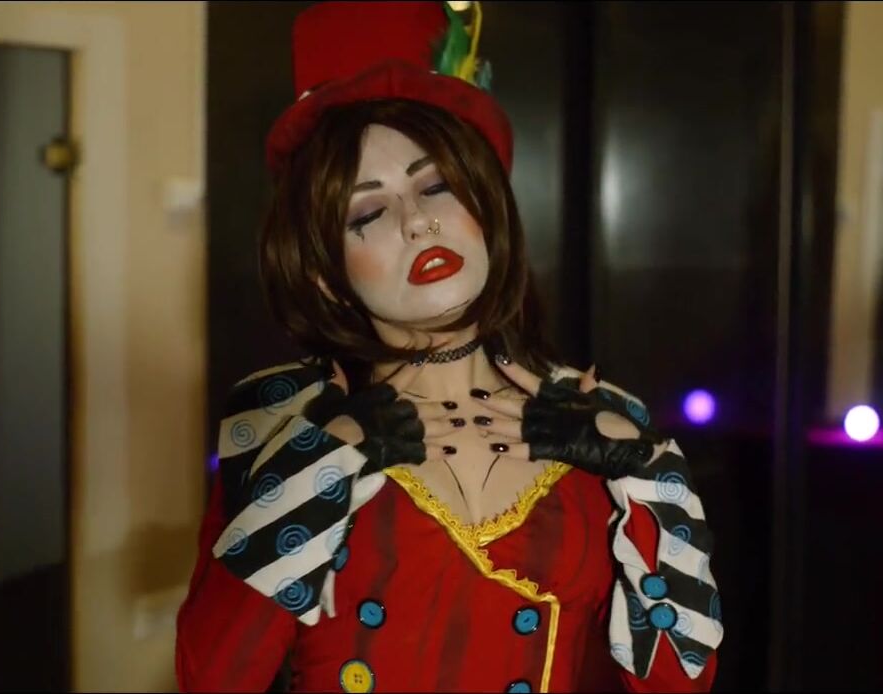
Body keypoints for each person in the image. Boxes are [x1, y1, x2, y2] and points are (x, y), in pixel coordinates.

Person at [176, 2, 723, 691]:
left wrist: (643, 469)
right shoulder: (280, 418)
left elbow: (681, 681)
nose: (419, 222)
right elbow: (211, 677)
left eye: (436, 185)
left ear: (486, 208)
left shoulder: (600, 416)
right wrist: (326, 459)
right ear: (324, 272)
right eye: (369, 211)